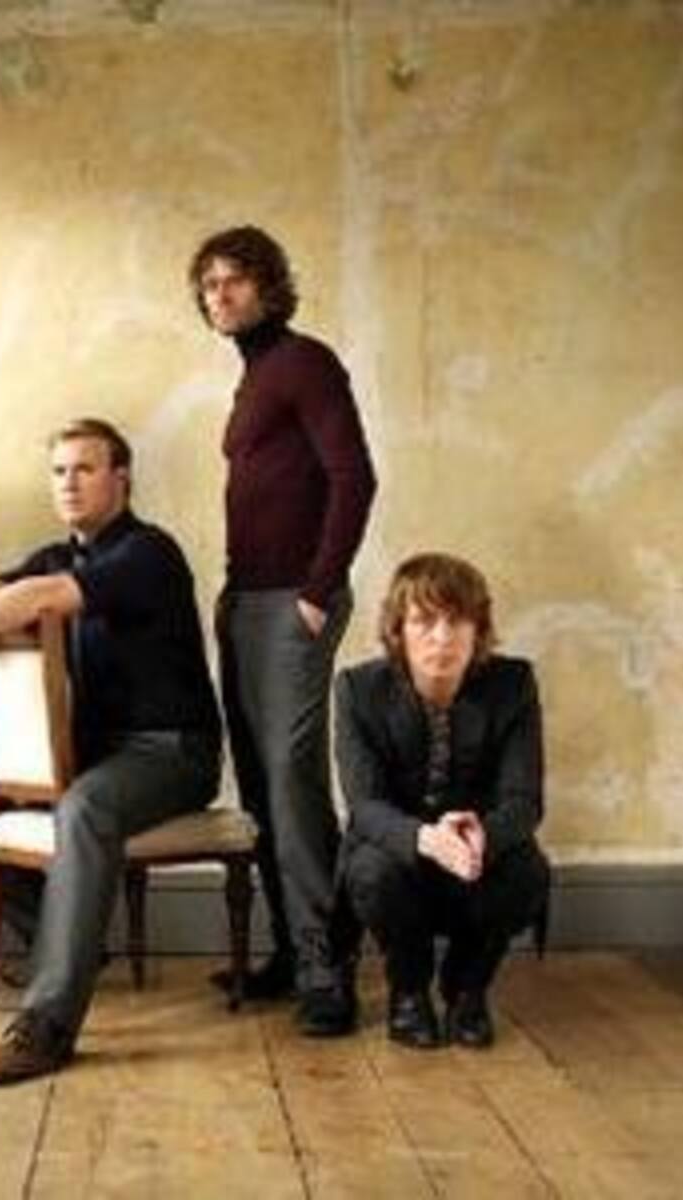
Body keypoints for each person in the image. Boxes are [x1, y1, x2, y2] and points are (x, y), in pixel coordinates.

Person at [0, 418, 221, 1084]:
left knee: (83, 810)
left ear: (121, 479)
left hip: (171, 752)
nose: (68, 483)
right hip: (96, 753)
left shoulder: (149, 553)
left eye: (85, 469)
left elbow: (42, 599)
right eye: (59, 471)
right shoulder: (56, 554)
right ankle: (64, 946)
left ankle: (48, 1022)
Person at [187, 226, 376, 1034]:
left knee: (293, 784)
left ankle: (326, 969)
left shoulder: (305, 362)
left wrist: (318, 590)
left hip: (292, 600)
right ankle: (298, 950)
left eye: (234, 280)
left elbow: (354, 477)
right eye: (209, 285)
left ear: (269, 286)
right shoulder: (255, 376)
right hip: (247, 601)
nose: (220, 295)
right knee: (262, 786)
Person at [335, 553, 550, 1049]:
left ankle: (468, 991)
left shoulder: (513, 684)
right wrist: (426, 838)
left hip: (476, 856)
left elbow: (524, 799)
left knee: (527, 872)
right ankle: (408, 994)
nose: (442, 637)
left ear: (479, 630)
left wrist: (482, 835)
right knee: (371, 872)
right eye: (424, 621)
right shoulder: (357, 689)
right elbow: (364, 806)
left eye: (457, 621)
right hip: (400, 856)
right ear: (398, 630)